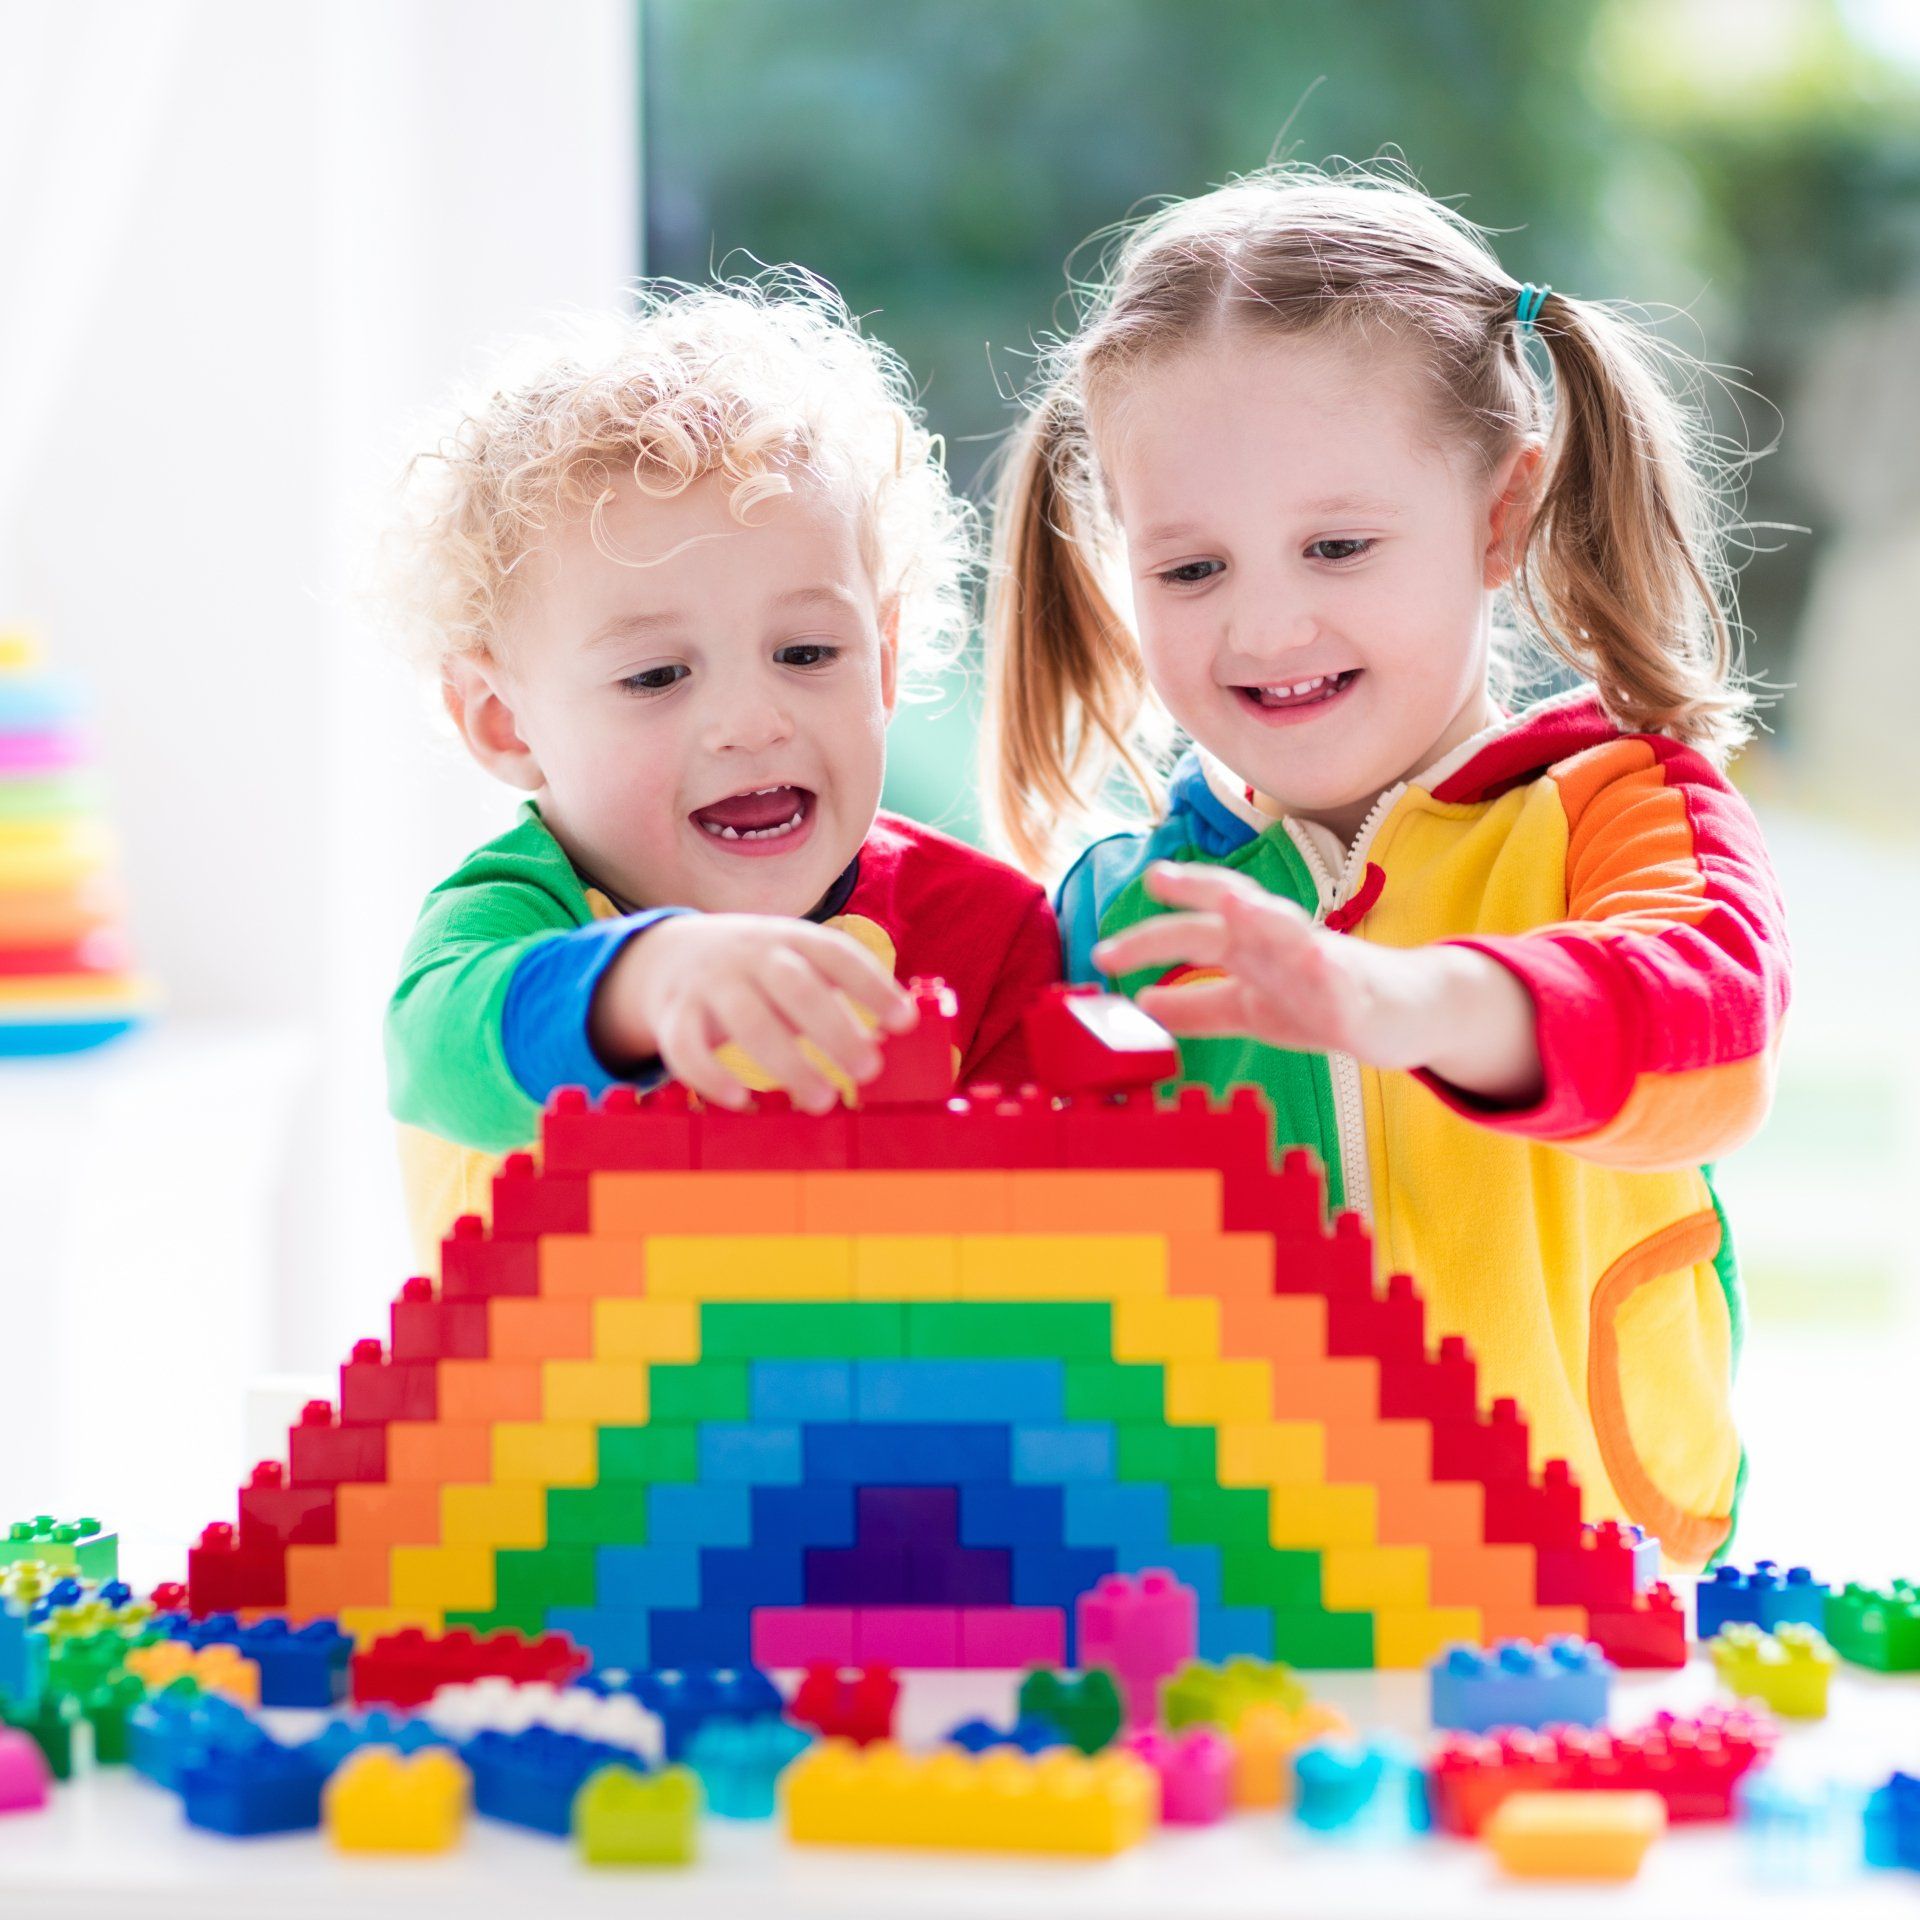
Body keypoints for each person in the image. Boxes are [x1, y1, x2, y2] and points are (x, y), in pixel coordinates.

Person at [984, 165, 1789, 1565]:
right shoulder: (1120, 905)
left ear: (1499, 514)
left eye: (1338, 545)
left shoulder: (1620, 805)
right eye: (1190, 571)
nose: (1267, 627)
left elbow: (1702, 1045)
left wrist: (1394, 1003)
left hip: (1584, 1604)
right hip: (1235, 1618)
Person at [384, 274, 1059, 1265]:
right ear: (503, 720)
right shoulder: (514, 919)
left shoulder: (989, 932)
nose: (753, 721)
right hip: (579, 1418)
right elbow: (437, 1055)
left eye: (806, 654)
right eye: (657, 675)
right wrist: (646, 980)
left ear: (881, 662)